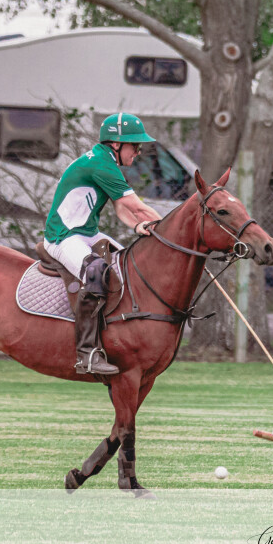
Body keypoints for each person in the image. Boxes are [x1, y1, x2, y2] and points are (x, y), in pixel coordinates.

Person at [43, 113, 164, 375]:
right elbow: (135, 206)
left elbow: (121, 208)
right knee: (96, 271)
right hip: (62, 236)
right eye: (135, 146)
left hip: (87, 233)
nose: (138, 152)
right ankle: (86, 353)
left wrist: (136, 227)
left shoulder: (106, 161)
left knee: (128, 263)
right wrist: (167, 233)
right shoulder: (100, 164)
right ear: (116, 144)